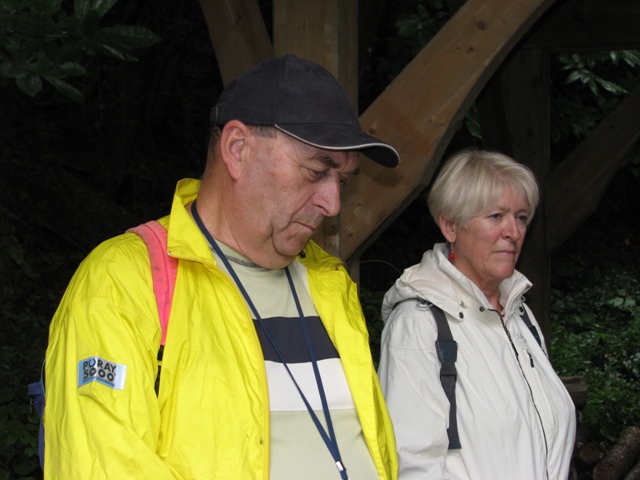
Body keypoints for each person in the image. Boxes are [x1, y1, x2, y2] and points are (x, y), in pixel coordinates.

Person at [43, 54, 399, 479]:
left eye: (341, 181)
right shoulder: (122, 282)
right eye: (316, 171)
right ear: (237, 149)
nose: (333, 203)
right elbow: (100, 467)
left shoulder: (329, 282)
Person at [377, 149, 576, 480]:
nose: (513, 232)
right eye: (497, 216)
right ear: (451, 226)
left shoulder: (519, 315)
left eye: (522, 217)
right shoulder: (418, 324)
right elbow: (411, 465)